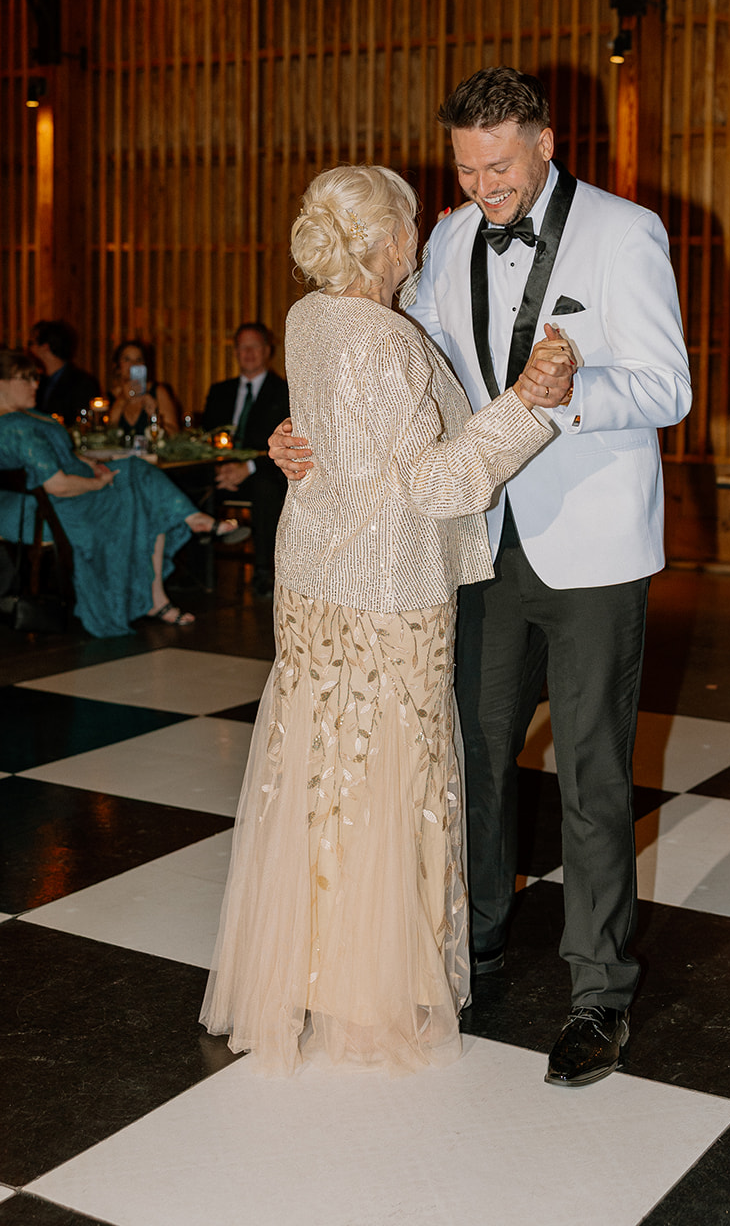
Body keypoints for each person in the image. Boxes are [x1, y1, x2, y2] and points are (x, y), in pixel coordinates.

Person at [272, 67, 691, 1088]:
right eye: (465, 167)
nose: (482, 186)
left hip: (590, 550)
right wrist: (306, 436)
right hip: (472, 537)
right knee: (474, 754)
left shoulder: (625, 231)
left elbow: (668, 386)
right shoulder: (447, 239)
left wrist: (568, 389)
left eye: (499, 165)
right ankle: (476, 947)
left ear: (546, 142)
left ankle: (597, 992)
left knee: (594, 773)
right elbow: (397, 380)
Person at [201, 165, 567, 1076]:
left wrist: (293, 444)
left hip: (314, 575)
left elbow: (333, 437)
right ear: (389, 239)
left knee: (320, 769)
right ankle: (373, 986)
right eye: (410, 219)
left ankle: (314, 963)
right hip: (388, 588)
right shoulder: (383, 339)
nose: (420, 230)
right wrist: (526, 404)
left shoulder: (309, 319)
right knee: (393, 777)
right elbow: (438, 484)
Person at [0, 350, 242, 636]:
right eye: (26, 380)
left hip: (27, 504)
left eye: (35, 379)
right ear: (0, 383)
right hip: (40, 512)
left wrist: (93, 464)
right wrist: (96, 484)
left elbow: (59, 458)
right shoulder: (15, 428)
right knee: (140, 489)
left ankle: (170, 570)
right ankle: (177, 555)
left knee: (135, 476)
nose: (36, 386)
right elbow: (57, 484)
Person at [201, 323, 290, 599]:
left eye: (254, 346)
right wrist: (220, 466)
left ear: (267, 351)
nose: (248, 353)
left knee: (266, 488)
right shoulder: (220, 392)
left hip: (261, 471)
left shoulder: (284, 392)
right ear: (236, 352)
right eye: (242, 347)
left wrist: (246, 468)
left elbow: (287, 444)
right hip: (220, 470)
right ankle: (195, 569)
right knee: (189, 482)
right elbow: (206, 438)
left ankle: (264, 573)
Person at [28, 320, 101, 425]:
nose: (29, 349)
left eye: (31, 343)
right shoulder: (38, 381)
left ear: (45, 347)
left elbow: (83, 423)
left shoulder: (82, 383)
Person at [106, 340, 181, 437]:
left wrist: (154, 416)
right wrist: (122, 400)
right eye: (127, 359)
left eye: (138, 360)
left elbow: (175, 434)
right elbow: (105, 435)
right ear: (117, 366)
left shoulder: (158, 392)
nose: (133, 364)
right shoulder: (110, 397)